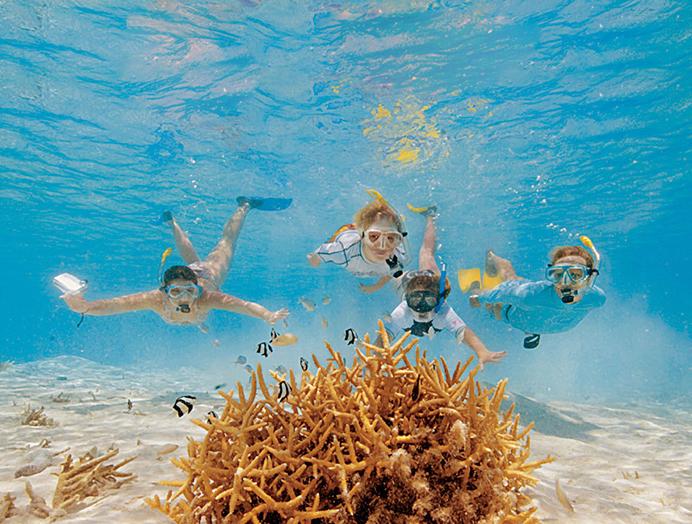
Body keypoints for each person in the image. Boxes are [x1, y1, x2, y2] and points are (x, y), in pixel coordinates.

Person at [61, 197, 290, 327]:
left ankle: (245, 205)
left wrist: (267, 315)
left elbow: (244, 305)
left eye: (189, 290)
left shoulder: (207, 297)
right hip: (194, 271)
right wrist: (85, 307)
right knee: (202, 255)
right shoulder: (155, 298)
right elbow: (115, 305)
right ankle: (171, 222)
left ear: (196, 288)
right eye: (176, 291)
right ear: (164, 290)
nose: (184, 297)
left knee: (227, 243)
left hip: (208, 273)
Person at [386, 206, 506, 369]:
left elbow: (464, 331)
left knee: (426, 254)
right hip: (411, 283)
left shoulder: (442, 310)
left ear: (437, 299)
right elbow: (384, 338)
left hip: (430, 279)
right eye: (415, 299)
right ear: (408, 299)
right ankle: (393, 261)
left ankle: (430, 216)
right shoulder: (402, 311)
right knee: (397, 276)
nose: (421, 306)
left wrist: (482, 351)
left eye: (429, 299)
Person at [467, 238, 606, 349]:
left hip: (534, 318)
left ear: (590, 278)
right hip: (511, 311)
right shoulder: (529, 296)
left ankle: (532, 331)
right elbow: (500, 294)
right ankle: (490, 261)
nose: (565, 282)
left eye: (575, 275)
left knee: (521, 291)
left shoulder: (597, 298)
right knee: (504, 287)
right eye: (558, 274)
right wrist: (478, 298)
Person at [307, 190, 410, 294]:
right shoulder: (344, 252)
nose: (382, 246)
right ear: (362, 236)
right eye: (374, 236)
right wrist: (315, 259)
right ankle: (354, 226)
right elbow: (319, 253)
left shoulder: (398, 256)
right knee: (340, 234)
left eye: (390, 238)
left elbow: (391, 272)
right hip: (347, 233)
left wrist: (375, 287)